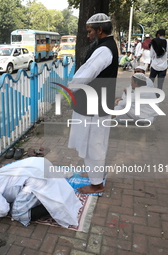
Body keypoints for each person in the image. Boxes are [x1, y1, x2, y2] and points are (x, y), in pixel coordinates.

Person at [68, 13, 118, 194]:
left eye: (90, 31)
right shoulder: (106, 46)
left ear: (99, 30)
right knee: (95, 141)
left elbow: (87, 73)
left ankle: (96, 183)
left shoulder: (104, 50)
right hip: (98, 102)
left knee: (93, 142)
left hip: (95, 105)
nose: (88, 35)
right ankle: (94, 173)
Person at [0, 157, 82, 227]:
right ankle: (53, 192)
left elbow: (2, 210)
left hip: (37, 180)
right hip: (40, 163)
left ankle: (52, 206)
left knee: (17, 213)